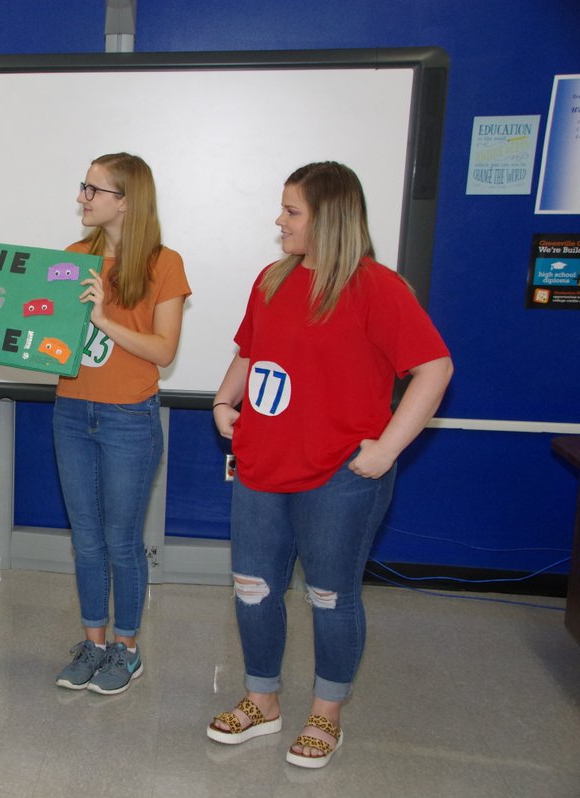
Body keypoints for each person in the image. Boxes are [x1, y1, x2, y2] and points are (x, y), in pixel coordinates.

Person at [206, 161, 452, 767]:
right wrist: (222, 401)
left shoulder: (377, 288)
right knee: (253, 590)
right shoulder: (272, 279)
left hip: (340, 477)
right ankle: (262, 701)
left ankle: (326, 715)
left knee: (329, 596)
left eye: (292, 211)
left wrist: (386, 449)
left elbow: (435, 368)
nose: (279, 220)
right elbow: (250, 351)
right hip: (262, 466)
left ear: (329, 218)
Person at [53, 153, 190, 695]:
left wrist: (103, 319)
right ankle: (93, 643)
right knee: (86, 540)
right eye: (83, 186)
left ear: (127, 202)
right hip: (71, 412)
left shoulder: (164, 263)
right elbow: (47, 334)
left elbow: (163, 350)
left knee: (121, 541)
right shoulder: (72, 258)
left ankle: (126, 650)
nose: (82, 197)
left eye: (93, 189)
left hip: (129, 418)